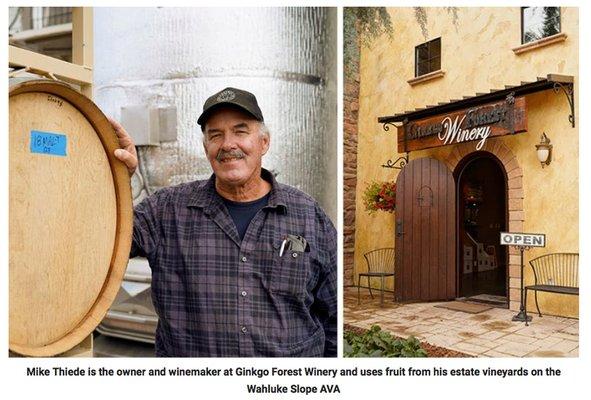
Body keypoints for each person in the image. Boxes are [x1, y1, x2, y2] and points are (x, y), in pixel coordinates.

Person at [111, 87, 337, 357]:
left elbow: (333, 316)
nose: (228, 144)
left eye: (240, 131)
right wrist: (112, 179)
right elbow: (102, 246)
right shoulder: (165, 211)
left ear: (264, 142)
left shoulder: (308, 215)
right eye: (215, 135)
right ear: (206, 147)